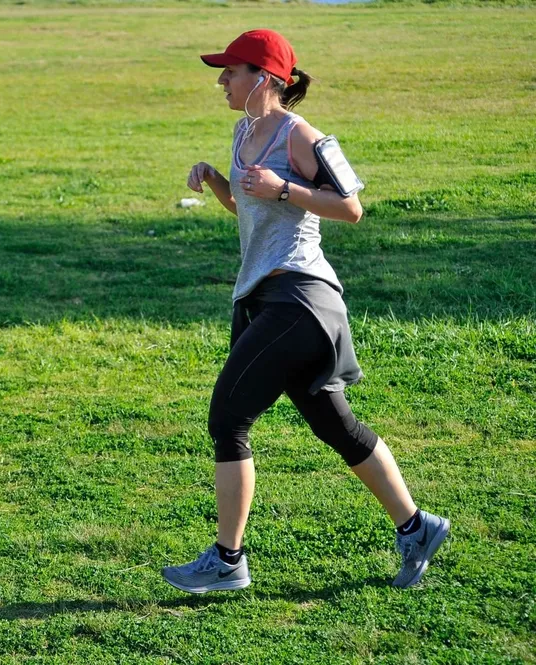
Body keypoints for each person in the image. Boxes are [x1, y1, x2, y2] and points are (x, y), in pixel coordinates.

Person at [161, 29, 449, 594]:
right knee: (333, 424)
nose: (221, 80)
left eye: (231, 71)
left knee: (228, 417)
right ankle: (416, 528)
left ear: (264, 79)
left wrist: (284, 189)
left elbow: (351, 207)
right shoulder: (243, 130)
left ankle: (227, 560)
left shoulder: (301, 136)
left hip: (300, 299)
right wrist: (221, 182)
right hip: (259, 297)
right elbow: (251, 208)